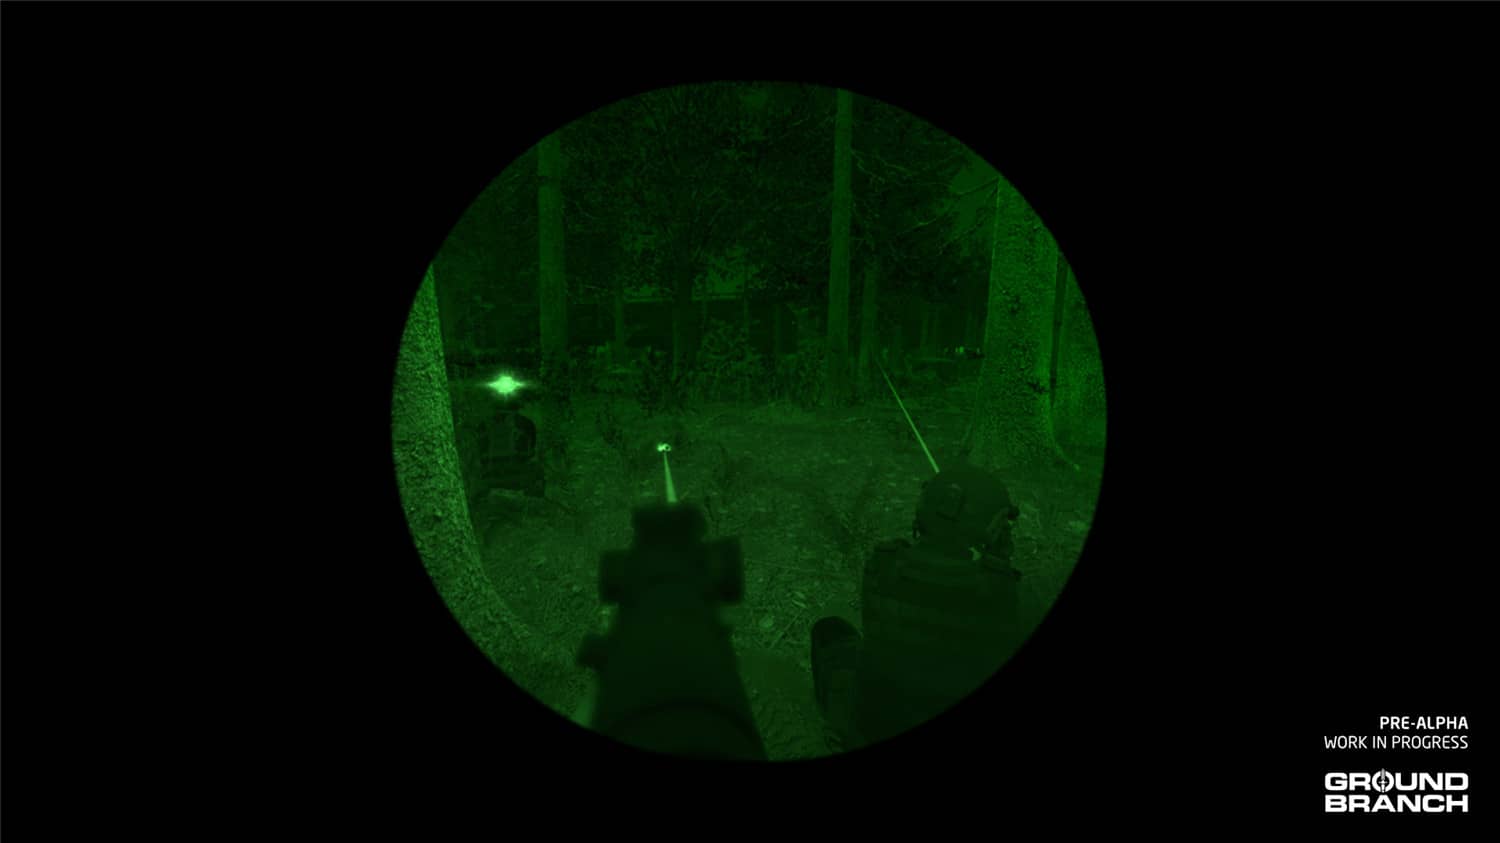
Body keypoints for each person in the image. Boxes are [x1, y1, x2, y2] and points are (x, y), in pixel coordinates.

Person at [811, 460, 1024, 752]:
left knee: (831, 632)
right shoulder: (1005, 592)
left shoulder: (882, 565)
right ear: (995, 527)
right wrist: (998, 556)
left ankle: (839, 728)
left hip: (878, 723)